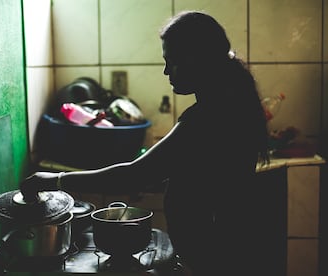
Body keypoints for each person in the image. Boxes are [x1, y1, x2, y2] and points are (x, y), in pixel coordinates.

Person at [21, 11, 272, 275]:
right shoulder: (228, 103)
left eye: (171, 61)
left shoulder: (207, 116)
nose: (166, 70)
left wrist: (55, 180)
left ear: (195, 58)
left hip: (215, 258)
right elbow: (206, 172)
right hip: (221, 252)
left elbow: (134, 175)